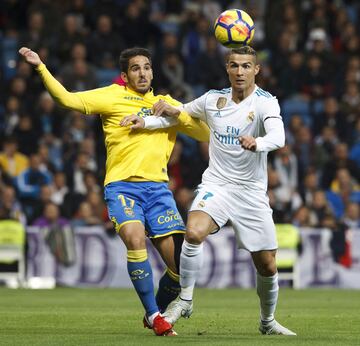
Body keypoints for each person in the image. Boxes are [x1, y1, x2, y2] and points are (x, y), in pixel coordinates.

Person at [19, 46, 209, 336]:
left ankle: (153, 312)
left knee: (179, 270)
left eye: (146, 67)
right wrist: (41, 67)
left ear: (153, 72)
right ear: (125, 75)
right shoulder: (112, 95)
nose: (142, 72)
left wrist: (176, 112)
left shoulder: (165, 103)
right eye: (135, 68)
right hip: (122, 187)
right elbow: (66, 99)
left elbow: (205, 133)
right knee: (135, 239)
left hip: (158, 190)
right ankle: (155, 316)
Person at [122, 46, 296, 336]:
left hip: (251, 192)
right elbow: (178, 116)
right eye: (234, 66)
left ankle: (267, 321)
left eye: (245, 66)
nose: (239, 72)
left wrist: (258, 143)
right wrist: (147, 122)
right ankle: (186, 300)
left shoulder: (266, 103)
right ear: (227, 68)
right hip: (218, 184)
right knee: (193, 232)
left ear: (256, 70)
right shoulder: (213, 100)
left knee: (266, 265)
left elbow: (279, 136)